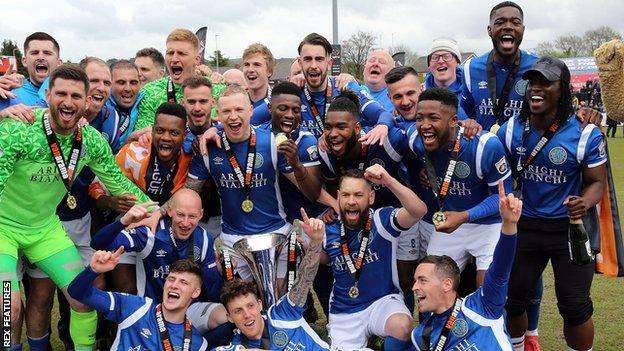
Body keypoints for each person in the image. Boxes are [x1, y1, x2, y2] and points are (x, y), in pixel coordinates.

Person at [0, 63, 151, 351]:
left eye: (76, 96)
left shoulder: (90, 141)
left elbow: (120, 185)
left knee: (84, 299)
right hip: (2, 230)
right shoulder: (18, 129)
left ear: (85, 101)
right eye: (61, 94)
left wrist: (158, 212)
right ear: (47, 95)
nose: (68, 103)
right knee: (8, 310)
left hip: (44, 230)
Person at [498, 56, 607, 351]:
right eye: (532, 82)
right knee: (512, 299)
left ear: (562, 90)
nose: (536, 88)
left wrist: (583, 203)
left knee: (575, 306)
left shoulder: (585, 132)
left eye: (545, 82)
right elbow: (498, 173)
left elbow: (597, 182)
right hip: (526, 227)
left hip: (569, 229)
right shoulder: (510, 129)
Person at [187, 85, 321, 282]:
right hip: (233, 240)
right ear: (218, 114)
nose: (233, 117)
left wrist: (296, 164)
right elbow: (188, 193)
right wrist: (160, 213)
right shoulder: (208, 148)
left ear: (251, 111)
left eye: (239, 110)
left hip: (276, 233)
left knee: (279, 302)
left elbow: (310, 191)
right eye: (226, 111)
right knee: (243, 306)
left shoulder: (272, 143)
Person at [409, 88, 512, 287]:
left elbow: (502, 195)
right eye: (419, 118)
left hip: (487, 225)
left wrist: (465, 215)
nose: (424, 125)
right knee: (429, 287)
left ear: (454, 121)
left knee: (488, 291)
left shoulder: (484, 145)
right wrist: (427, 172)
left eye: (433, 118)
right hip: (450, 224)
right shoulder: (416, 141)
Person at [90, 190, 229, 338]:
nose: (186, 223)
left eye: (192, 216)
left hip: (188, 310)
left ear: (201, 214)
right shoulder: (150, 233)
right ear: (169, 211)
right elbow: (98, 243)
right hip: (150, 310)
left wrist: (222, 273)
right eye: (180, 215)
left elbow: (213, 288)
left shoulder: (204, 239)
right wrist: (123, 222)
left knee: (226, 318)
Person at [323, 166, 426, 350]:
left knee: (402, 326)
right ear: (338, 197)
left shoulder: (382, 220)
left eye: (358, 195)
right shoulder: (328, 228)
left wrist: (388, 180)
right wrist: (312, 244)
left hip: (382, 301)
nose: (351, 201)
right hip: (344, 311)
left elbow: (419, 211)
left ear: (371, 198)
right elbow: (324, 259)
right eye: (345, 195)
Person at [410, 180, 521, 350]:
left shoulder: (483, 305)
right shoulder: (420, 336)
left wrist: (509, 225)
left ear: (447, 284)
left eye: (422, 280)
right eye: (416, 281)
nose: (414, 287)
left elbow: (500, 269)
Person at [215, 208, 330, 350]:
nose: (247, 315)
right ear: (229, 317)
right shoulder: (238, 347)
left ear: (259, 304)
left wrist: (316, 242)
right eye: (238, 311)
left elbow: (305, 278)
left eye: (250, 306)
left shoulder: (283, 312)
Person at [68, 252, 210, 350]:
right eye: (171, 279)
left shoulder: (197, 344)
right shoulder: (135, 307)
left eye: (183, 282)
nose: (174, 285)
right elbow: (77, 292)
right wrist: (93, 270)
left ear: (196, 292)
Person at [459, 1, 538, 132]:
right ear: (489, 30)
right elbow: (466, 114)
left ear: (523, 30)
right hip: (486, 149)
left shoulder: (537, 67)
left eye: (515, 22)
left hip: (523, 150)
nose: (508, 27)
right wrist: (468, 122)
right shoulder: (470, 68)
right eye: (500, 22)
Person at [133, 29, 225, 132]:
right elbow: (143, 136)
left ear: (197, 59)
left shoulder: (218, 90)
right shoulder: (150, 92)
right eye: (170, 53)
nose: (174, 59)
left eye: (181, 53)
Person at [243, 43, 275, 126]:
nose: (250, 69)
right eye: (247, 65)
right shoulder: (236, 102)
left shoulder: (279, 101)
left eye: (257, 65)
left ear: (269, 71)